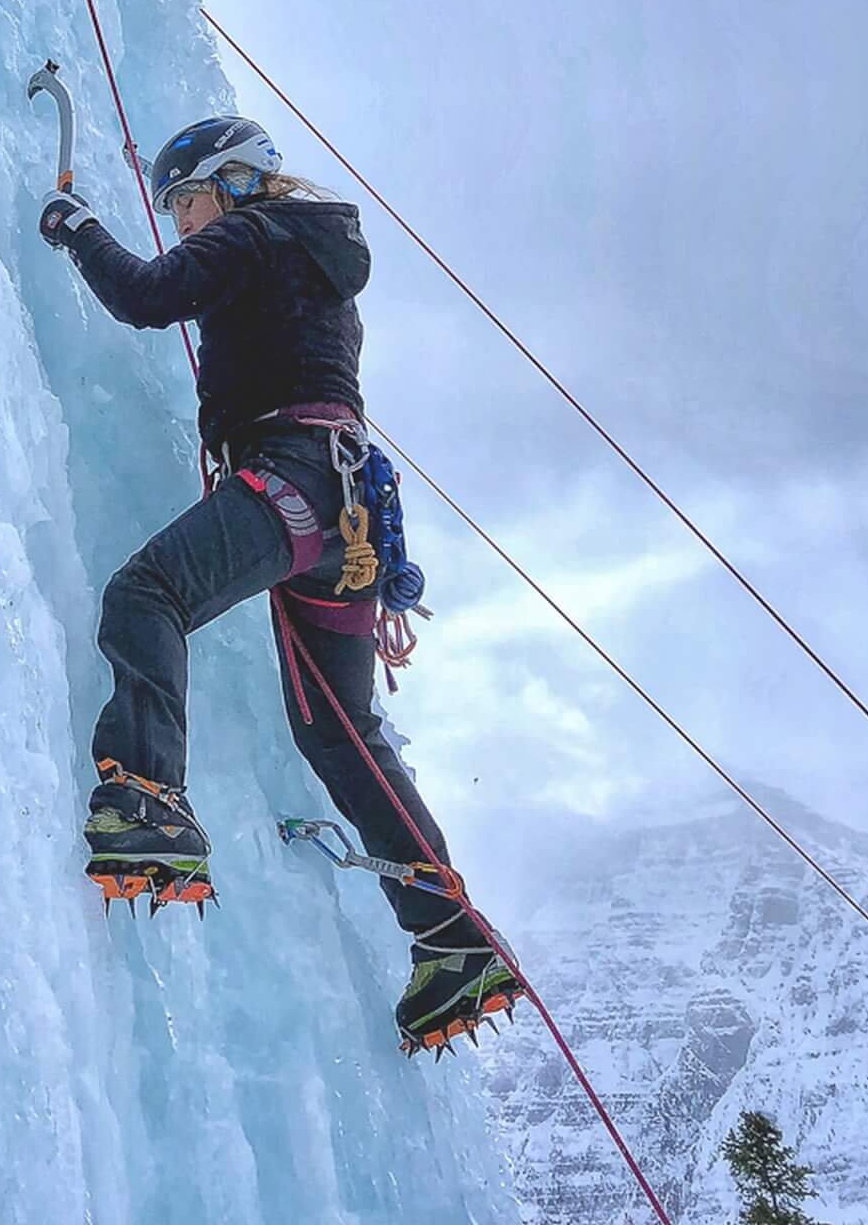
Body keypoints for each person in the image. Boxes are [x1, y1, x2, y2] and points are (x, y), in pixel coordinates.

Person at [37, 113, 525, 1054]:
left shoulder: (252, 233)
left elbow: (145, 296)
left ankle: (148, 799)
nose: (182, 220)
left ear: (231, 182)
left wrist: (75, 227)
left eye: (185, 200)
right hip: (348, 520)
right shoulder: (312, 253)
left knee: (147, 595)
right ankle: (450, 940)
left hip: (293, 483)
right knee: (338, 734)